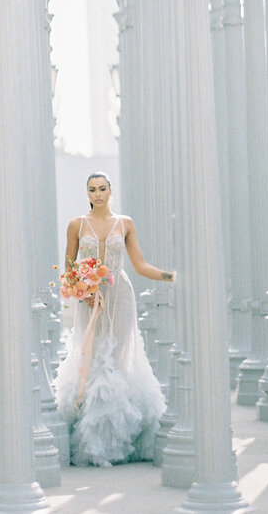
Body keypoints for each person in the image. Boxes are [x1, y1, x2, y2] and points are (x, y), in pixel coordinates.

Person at [53, 172, 173, 467]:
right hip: (90, 297)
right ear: (87, 193)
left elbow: (140, 265)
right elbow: (68, 270)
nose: (97, 194)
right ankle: (92, 436)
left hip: (120, 294)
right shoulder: (76, 225)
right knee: (91, 353)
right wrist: (83, 292)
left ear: (110, 190)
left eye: (102, 188)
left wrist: (172, 277)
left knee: (120, 356)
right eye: (92, 190)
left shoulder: (125, 223)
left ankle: (124, 435)